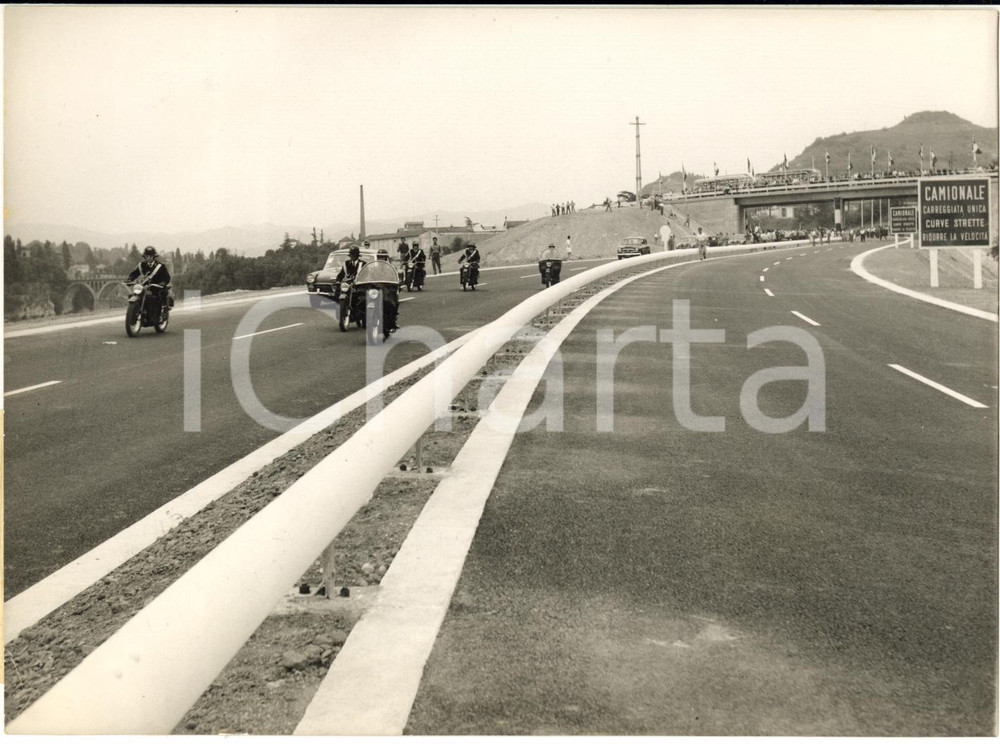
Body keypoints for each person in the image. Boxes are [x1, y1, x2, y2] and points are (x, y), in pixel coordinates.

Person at [127, 246, 171, 318]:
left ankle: (164, 310)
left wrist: (163, 282)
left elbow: (167, 277)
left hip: (157, 287)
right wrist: (130, 279)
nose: (149, 258)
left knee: (161, 294)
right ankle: (133, 313)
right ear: (144, 257)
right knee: (132, 295)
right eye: (147, 256)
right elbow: (134, 273)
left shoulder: (160, 266)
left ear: (154, 257)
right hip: (145, 287)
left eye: (151, 256)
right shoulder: (142, 265)